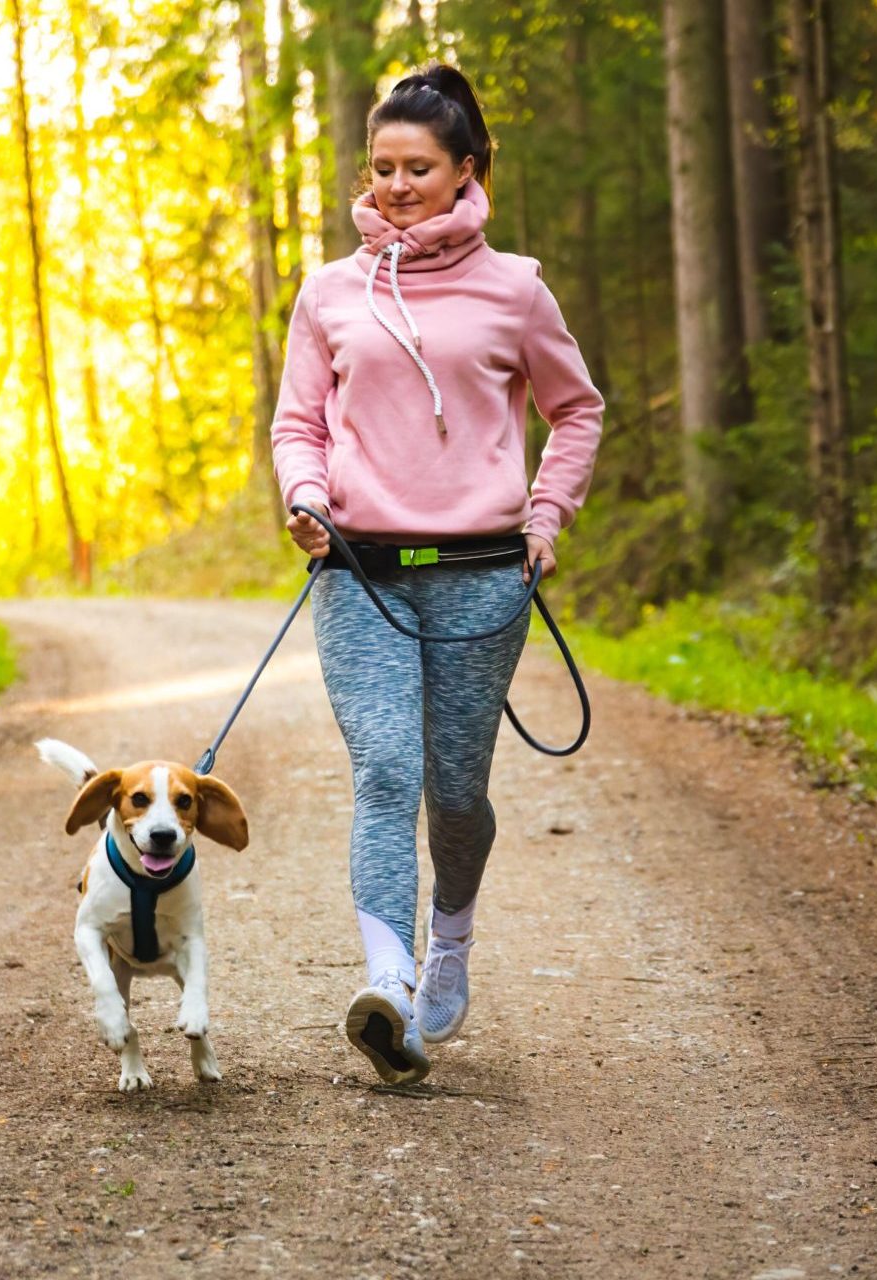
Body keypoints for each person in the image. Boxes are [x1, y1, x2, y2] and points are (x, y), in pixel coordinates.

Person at [267, 63, 606, 1085]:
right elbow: (298, 423)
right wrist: (304, 495)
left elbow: (576, 408)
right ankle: (390, 983)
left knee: (454, 791)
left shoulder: (516, 289)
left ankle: (448, 942)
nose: (397, 185)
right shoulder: (328, 290)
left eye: (419, 167)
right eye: (382, 168)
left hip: (481, 579)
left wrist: (547, 513)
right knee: (382, 771)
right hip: (359, 572)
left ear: (467, 170)